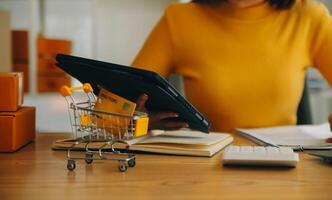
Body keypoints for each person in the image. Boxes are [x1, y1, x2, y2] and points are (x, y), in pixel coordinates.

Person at [132, 0, 332, 133]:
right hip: (204, 169)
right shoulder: (179, 18)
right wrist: (138, 120)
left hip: (286, 168)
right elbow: (117, 102)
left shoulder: (309, 16)